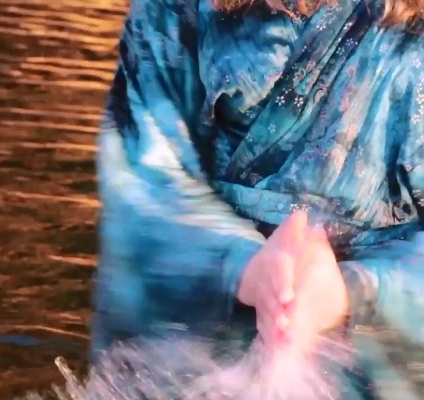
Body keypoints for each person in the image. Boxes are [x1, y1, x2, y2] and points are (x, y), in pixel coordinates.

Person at [93, 0, 424, 398]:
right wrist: (243, 267)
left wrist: (352, 291)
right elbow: (142, 177)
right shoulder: (173, 12)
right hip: (192, 355)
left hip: (365, 362)